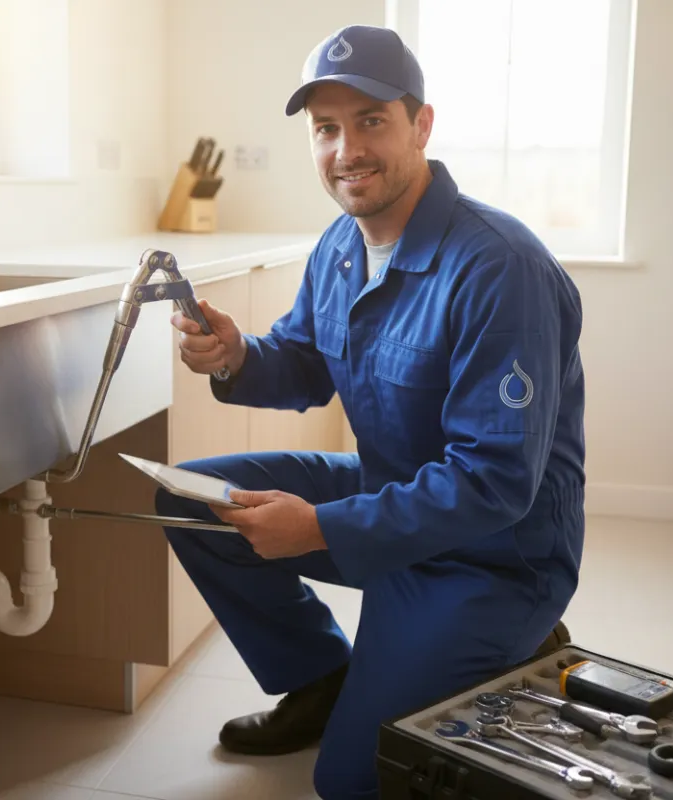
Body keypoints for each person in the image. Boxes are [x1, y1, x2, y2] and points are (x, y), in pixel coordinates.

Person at [157, 23, 585, 800]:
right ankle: (321, 679)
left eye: (371, 121)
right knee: (191, 500)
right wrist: (235, 356)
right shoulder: (342, 247)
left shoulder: (501, 268)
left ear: (421, 125)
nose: (346, 149)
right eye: (326, 128)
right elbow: (304, 360)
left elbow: (494, 482)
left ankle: (518, 647)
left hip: (492, 557)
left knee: (351, 783)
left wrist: (320, 528)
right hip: (385, 495)